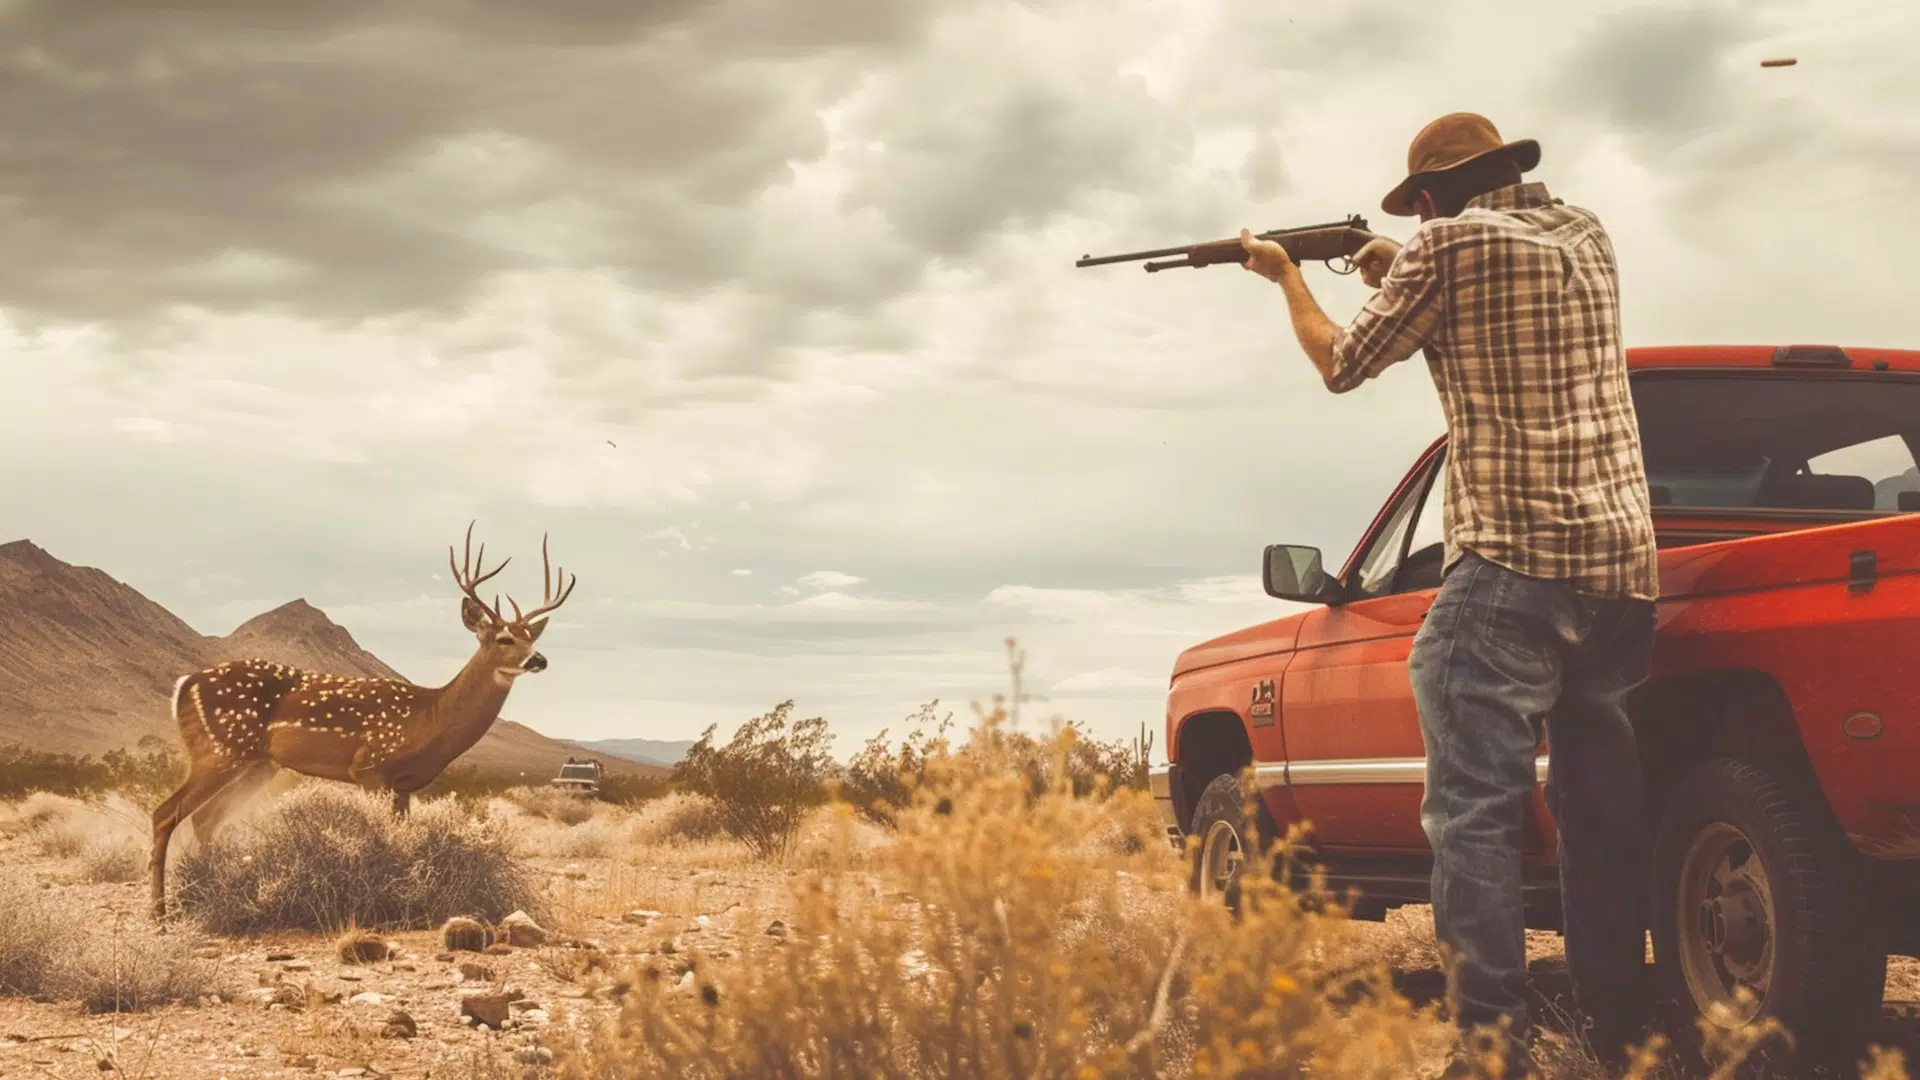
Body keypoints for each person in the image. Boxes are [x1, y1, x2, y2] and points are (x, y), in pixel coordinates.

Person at [1237, 112, 1660, 1078]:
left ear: (1430, 199)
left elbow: (1343, 363)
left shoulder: (1447, 244)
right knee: (1598, 806)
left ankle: (1490, 1049)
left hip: (1510, 558)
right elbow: (1466, 281)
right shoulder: (1586, 234)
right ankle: (1616, 1023)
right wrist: (1385, 254)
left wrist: (1289, 277)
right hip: (1623, 569)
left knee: (1472, 810)